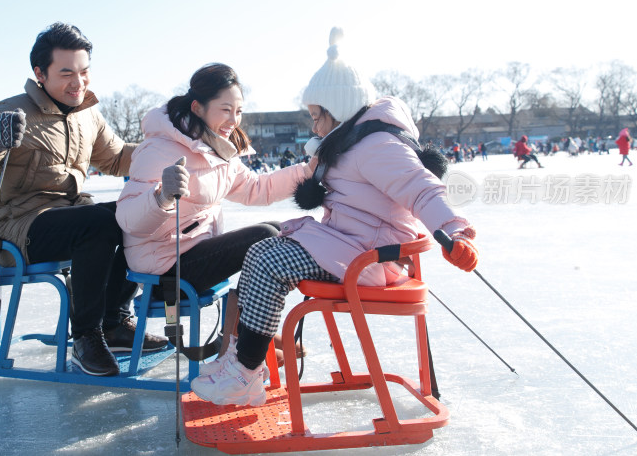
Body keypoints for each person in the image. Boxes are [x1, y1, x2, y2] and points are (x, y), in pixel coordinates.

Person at [189, 27, 478, 407]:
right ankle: (241, 362)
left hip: (372, 257)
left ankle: (243, 373)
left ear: (337, 110)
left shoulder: (376, 146)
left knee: (266, 258)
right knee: (263, 251)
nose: (313, 126)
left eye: (316, 115)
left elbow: (422, 188)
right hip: (350, 244)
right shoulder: (353, 141)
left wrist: (457, 231)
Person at [0, 22, 167, 378]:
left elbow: (118, 156)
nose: (78, 82)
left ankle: (114, 321)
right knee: (102, 221)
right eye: (66, 73)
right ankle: (86, 337)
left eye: (84, 72)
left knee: (139, 212)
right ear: (40, 74)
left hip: (71, 218)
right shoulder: (11, 111)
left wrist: (168, 153)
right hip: (16, 227)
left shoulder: (86, 114)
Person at [115, 63, 313, 366]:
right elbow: (128, 219)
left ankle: (247, 329)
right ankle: (246, 334)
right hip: (165, 268)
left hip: (194, 251)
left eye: (239, 111)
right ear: (198, 107)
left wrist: (309, 171)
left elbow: (257, 188)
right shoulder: (160, 149)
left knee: (276, 229)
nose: (234, 120)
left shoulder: (216, 149)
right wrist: (161, 196)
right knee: (266, 236)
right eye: (225, 110)